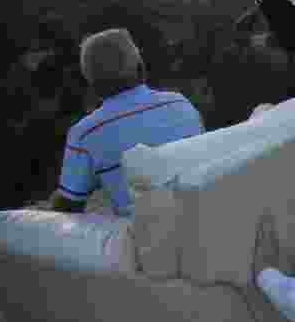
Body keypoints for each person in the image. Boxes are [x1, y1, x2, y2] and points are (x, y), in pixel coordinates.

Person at [49, 28, 204, 217]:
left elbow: (68, 207)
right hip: (200, 220)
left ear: (92, 84)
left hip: (147, 240)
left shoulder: (86, 133)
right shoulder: (181, 103)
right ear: (141, 68)